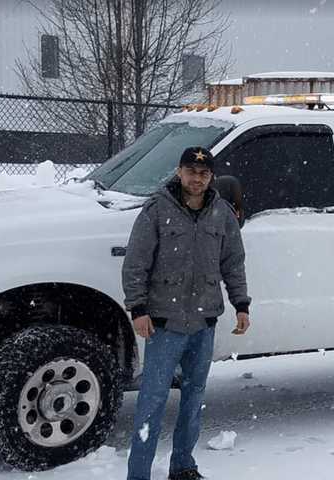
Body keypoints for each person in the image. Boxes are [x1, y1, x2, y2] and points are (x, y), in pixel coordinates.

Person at [122, 146, 251, 480]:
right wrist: (138, 308)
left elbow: (233, 263)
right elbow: (136, 263)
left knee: (193, 401)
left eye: (204, 173)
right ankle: (139, 474)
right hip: (164, 325)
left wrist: (241, 305)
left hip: (203, 323)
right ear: (179, 172)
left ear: (211, 177)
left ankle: (183, 467)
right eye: (191, 172)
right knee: (151, 404)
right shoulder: (156, 210)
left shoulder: (221, 212)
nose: (197, 178)